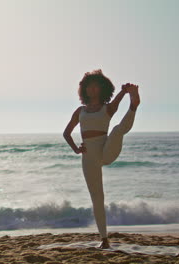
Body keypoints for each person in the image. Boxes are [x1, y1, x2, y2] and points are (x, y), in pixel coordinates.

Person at [62, 69, 140, 249]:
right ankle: (104, 239)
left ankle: (134, 106)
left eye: (96, 87)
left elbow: (117, 100)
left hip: (106, 149)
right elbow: (66, 133)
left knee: (117, 130)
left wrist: (125, 91)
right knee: (97, 198)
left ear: (102, 89)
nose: (92, 90)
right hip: (89, 157)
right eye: (89, 87)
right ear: (84, 90)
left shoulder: (108, 108)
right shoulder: (80, 111)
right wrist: (76, 149)